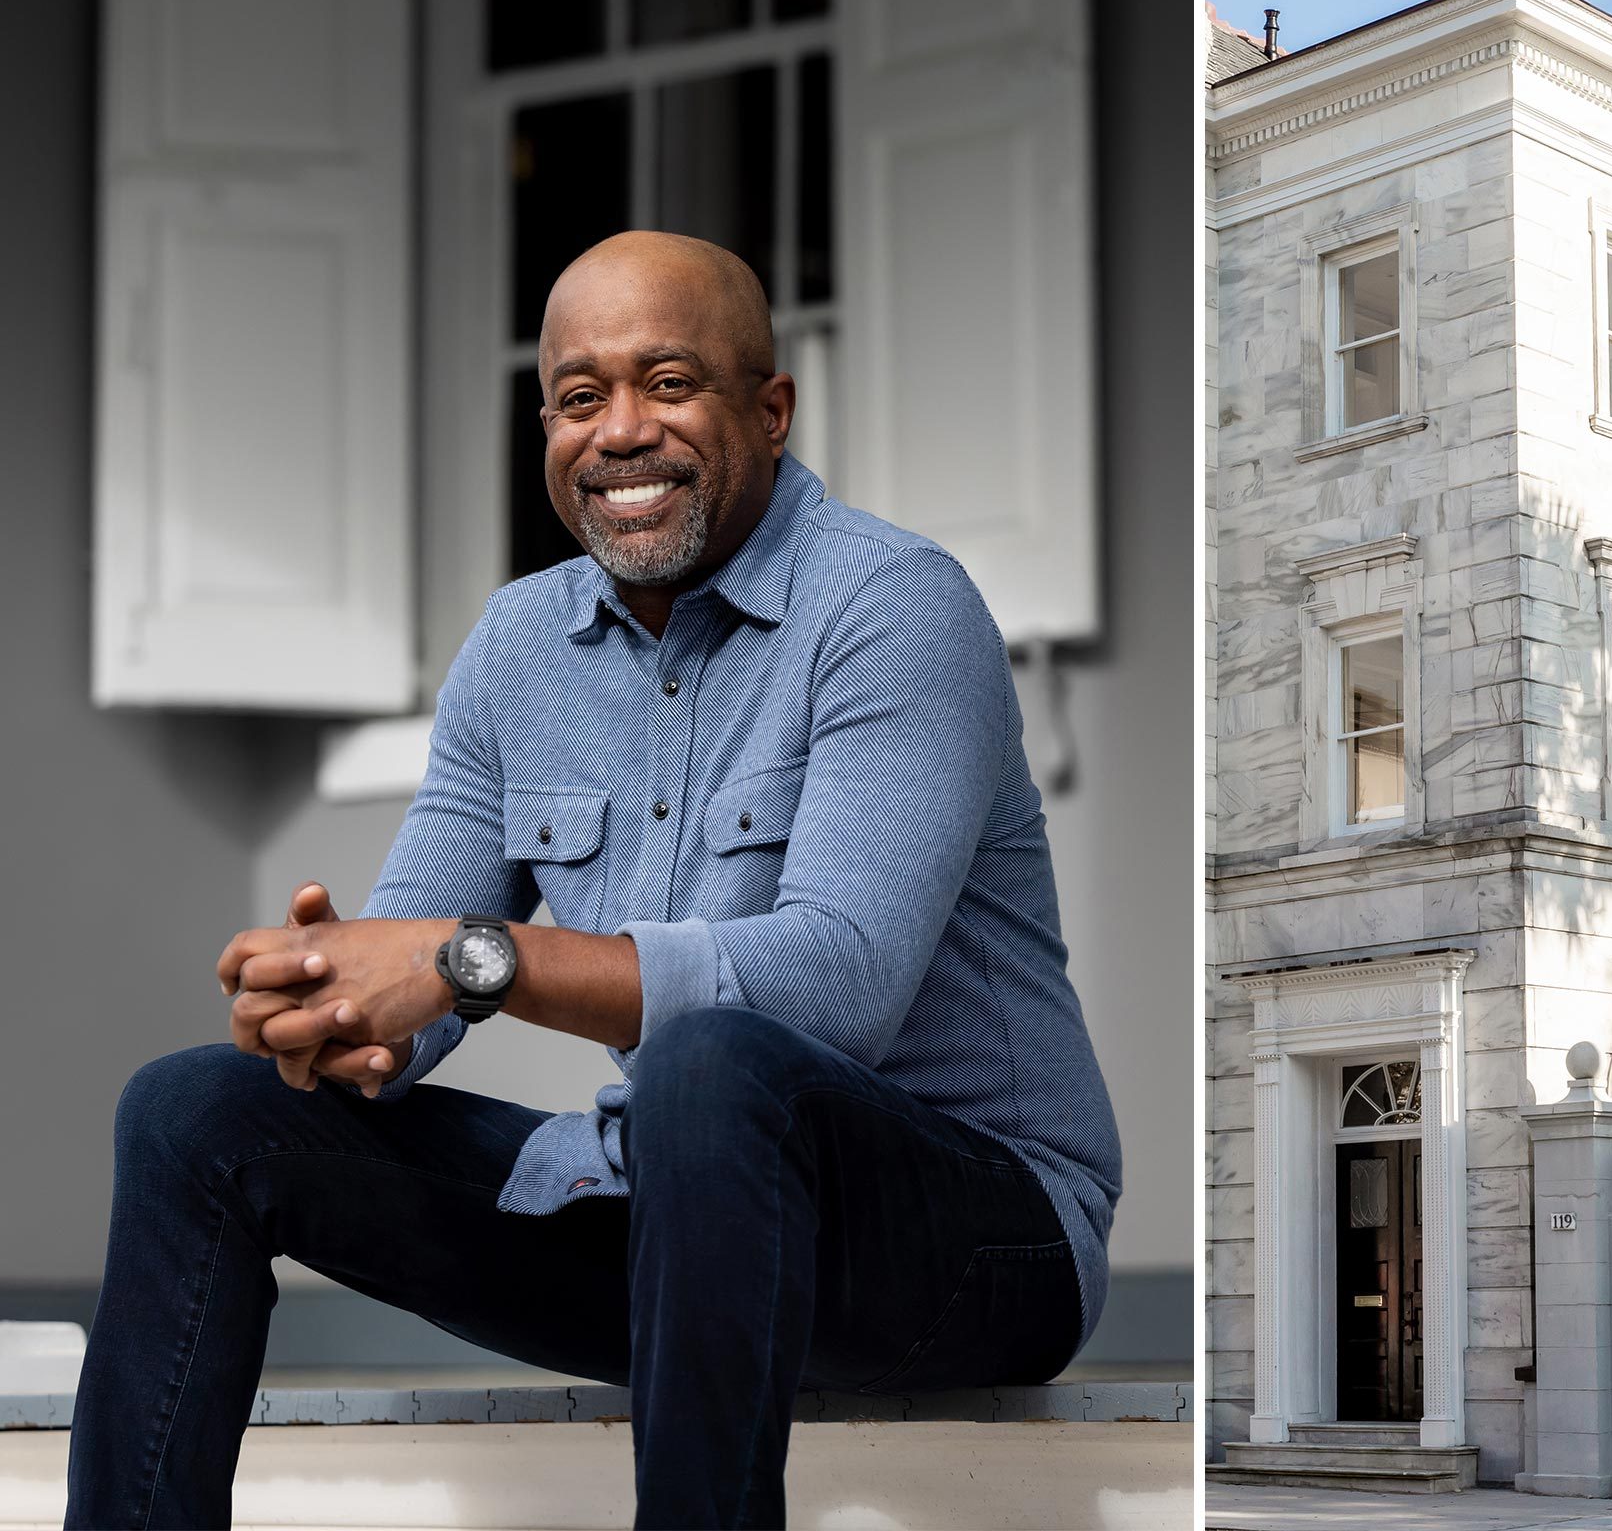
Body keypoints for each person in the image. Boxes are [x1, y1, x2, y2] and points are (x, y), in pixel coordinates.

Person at [64, 232, 1121, 1529]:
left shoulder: (896, 607)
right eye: (577, 398)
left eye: (668, 385)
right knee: (192, 1110)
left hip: (975, 1253)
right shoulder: (517, 647)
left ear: (770, 410)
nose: (619, 432)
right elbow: (415, 972)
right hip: (676, 1223)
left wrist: (469, 961)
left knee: (714, 1064)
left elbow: (834, 992)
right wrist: (330, 1012)